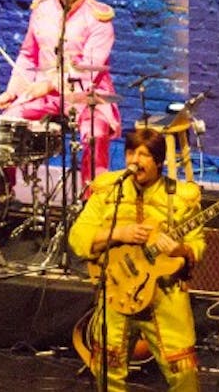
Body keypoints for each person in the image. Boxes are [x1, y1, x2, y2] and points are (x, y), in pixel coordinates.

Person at [67, 127, 205, 391]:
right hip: (117, 290)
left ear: (159, 162)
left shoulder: (182, 198)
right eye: (131, 152)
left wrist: (181, 250)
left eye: (144, 155)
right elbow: (78, 237)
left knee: (183, 372)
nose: (135, 160)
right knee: (108, 368)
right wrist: (119, 232)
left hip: (164, 294)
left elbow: (197, 244)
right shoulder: (108, 191)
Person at [0, 0, 119, 183]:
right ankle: (4, 194)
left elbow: (88, 71)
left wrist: (50, 84)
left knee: (96, 134)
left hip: (85, 96)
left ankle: (91, 201)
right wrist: (12, 91)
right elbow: (27, 55)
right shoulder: (42, 9)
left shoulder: (98, 19)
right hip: (46, 95)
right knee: (7, 123)